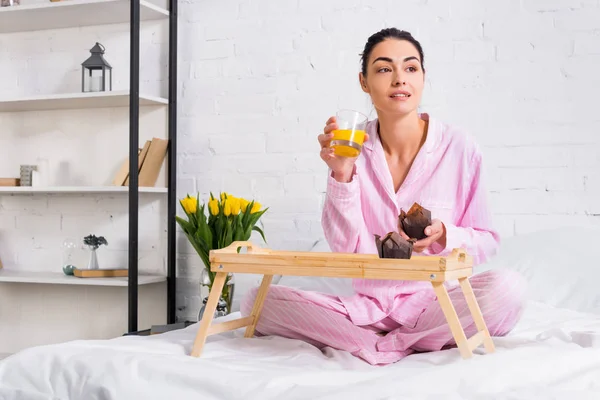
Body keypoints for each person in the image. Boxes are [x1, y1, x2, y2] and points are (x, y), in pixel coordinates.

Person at [241, 28, 526, 365]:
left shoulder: (459, 147)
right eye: (384, 69)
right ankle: (393, 341)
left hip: (436, 303)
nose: (399, 80)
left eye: (410, 68)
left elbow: (487, 240)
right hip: (368, 308)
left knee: (509, 289)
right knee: (256, 301)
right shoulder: (351, 147)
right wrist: (342, 173)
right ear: (364, 81)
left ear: (422, 77)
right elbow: (346, 250)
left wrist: (445, 234)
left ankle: (385, 345)